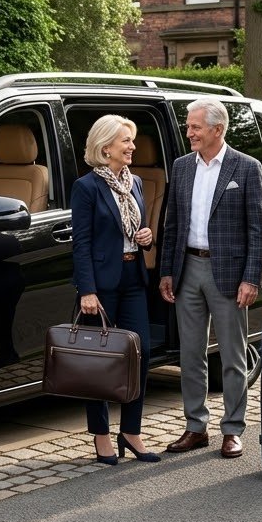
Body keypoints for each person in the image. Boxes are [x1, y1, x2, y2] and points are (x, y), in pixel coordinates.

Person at [159, 98, 262, 460]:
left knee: (233, 357)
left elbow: (258, 230)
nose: (188, 133)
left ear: (217, 130)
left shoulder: (247, 168)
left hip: (229, 274)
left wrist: (251, 278)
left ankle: (233, 430)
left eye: (195, 127)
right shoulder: (181, 167)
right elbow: (171, 224)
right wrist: (167, 271)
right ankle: (196, 427)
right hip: (187, 268)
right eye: (189, 126)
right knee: (190, 355)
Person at [71, 115, 160, 465]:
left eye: (132, 141)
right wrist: (86, 290)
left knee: (140, 353)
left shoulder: (135, 182)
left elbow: (136, 226)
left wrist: (147, 236)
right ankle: (101, 435)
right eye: (126, 141)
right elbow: (81, 244)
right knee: (100, 362)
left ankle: (131, 431)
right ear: (106, 147)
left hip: (133, 277)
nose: (133, 147)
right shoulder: (87, 187)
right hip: (101, 286)